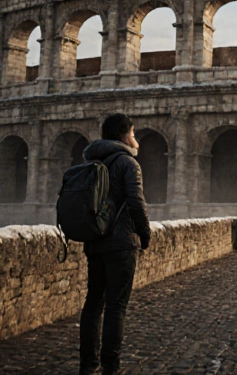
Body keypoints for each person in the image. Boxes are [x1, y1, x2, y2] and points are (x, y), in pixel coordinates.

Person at [79, 112, 151, 375]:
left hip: (94, 240)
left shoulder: (90, 160)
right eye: (132, 133)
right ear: (123, 135)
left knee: (93, 303)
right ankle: (112, 366)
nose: (135, 138)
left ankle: (87, 365)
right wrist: (145, 234)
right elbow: (136, 202)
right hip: (121, 243)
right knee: (116, 306)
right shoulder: (127, 163)